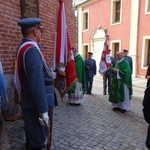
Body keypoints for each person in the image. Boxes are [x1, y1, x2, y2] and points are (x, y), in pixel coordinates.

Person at [15, 17, 57, 150]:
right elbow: (36, 83)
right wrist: (43, 110)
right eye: (40, 30)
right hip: (36, 104)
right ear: (35, 31)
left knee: (33, 137)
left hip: (32, 102)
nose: (41, 33)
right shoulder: (32, 50)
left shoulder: (25, 47)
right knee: (37, 140)